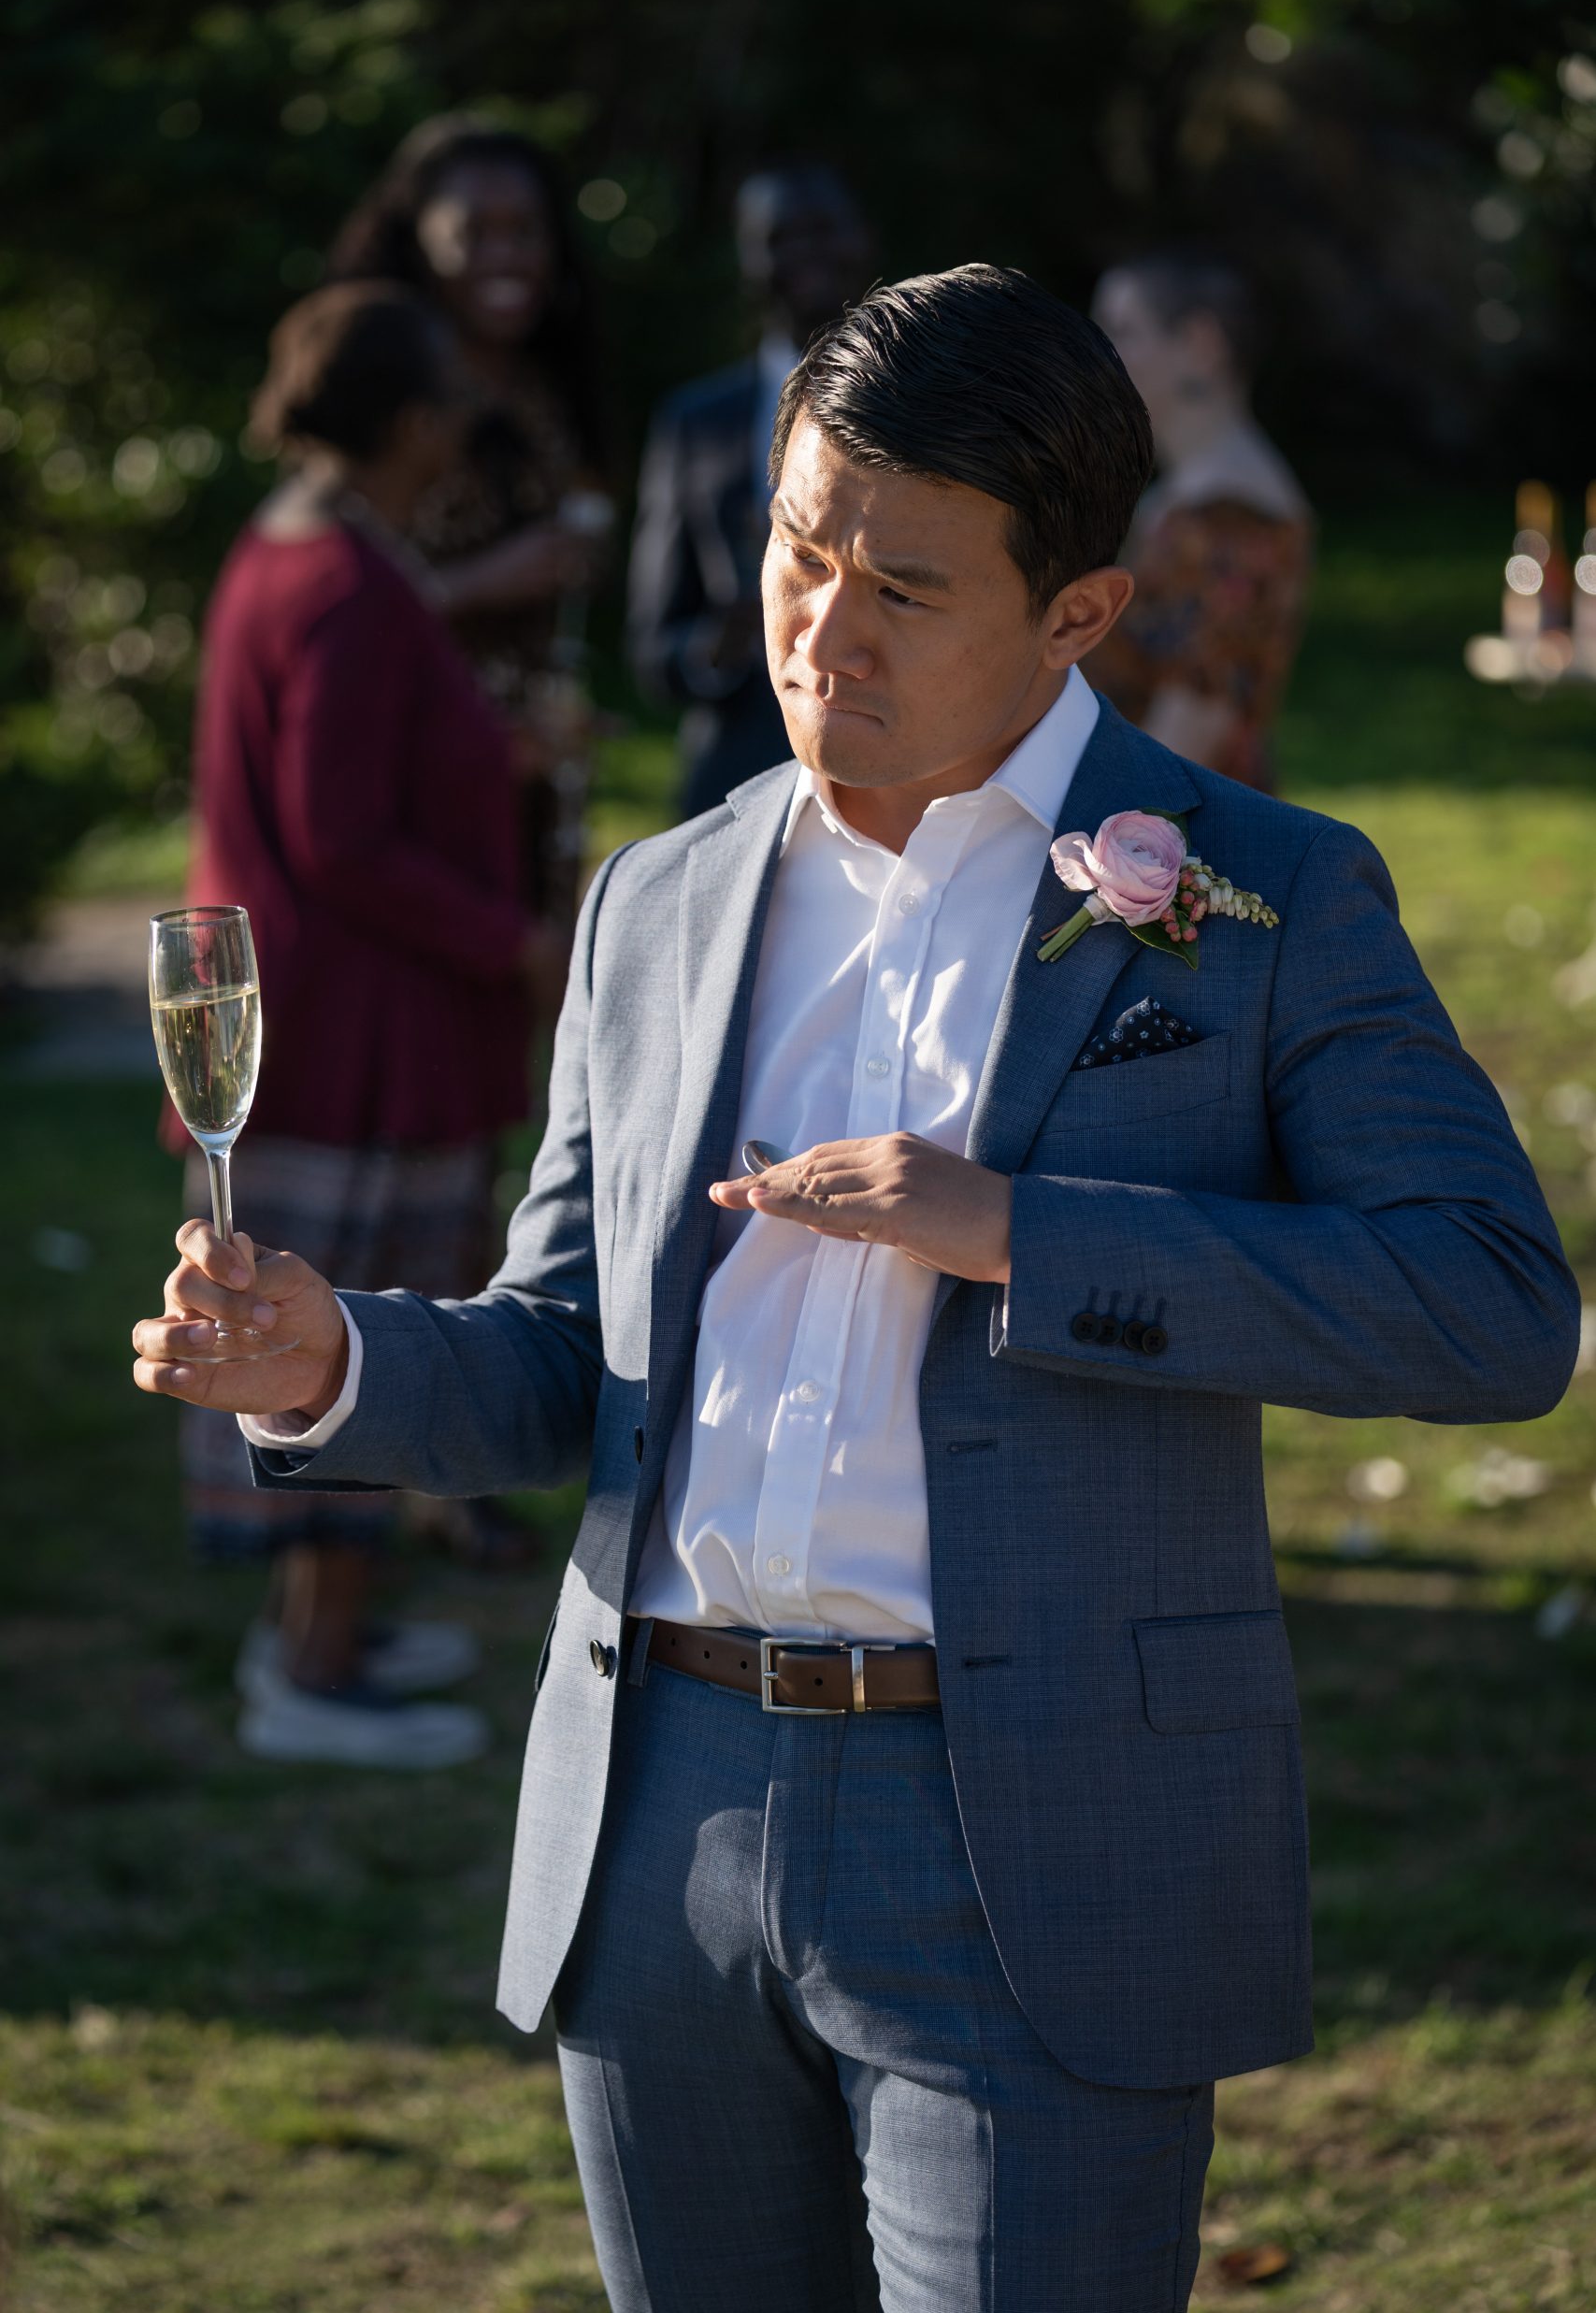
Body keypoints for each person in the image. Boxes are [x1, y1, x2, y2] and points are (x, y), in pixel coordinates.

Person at [133, 266, 1579, 2307]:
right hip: (660, 1815)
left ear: (1078, 612)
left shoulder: (1259, 896)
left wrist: (1019, 1231)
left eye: (902, 586)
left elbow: (1492, 1304)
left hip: (1035, 1830)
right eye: (800, 552)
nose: (821, 630)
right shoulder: (658, 898)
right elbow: (572, 1354)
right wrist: (336, 1361)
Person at [169, 280, 548, 1769]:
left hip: (326, 1020)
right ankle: (315, 1675)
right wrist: (515, 942)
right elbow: (339, 835)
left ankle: (319, 1636)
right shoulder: (339, 580)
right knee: (339, 1334)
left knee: (338, 1315)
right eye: (444, 392)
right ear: (402, 422)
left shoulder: (289, 547)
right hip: (352, 1038)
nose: (462, 417)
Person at [330, 114, 614, 938]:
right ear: (418, 242)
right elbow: (327, 603)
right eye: (474, 233)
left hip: (537, 771)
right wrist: (484, 581)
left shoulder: (552, 384)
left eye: (525, 231)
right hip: (412, 771)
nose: (506, 255)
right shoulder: (376, 402)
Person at [628, 163, 874, 818]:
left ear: (862, 241)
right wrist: (718, 645)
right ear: (746, 259)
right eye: (778, 237)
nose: (805, 253)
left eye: (822, 230)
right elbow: (653, 646)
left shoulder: (930, 410)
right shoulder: (696, 423)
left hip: (895, 772)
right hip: (736, 775)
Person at [1087, 250, 1312, 792]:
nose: (1099, 355)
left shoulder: (1234, 513)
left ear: (1200, 346)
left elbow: (1196, 715)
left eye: (1122, 331)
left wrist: (1104, 825)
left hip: (1166, 826)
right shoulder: (1196, 498)